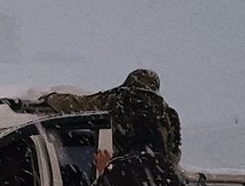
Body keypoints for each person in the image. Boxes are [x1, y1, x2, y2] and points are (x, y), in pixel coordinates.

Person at [41, 69, 181, 165]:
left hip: (122, 175)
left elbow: (78, 105)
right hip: (157, 180)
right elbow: (174, 155)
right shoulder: (168, 115)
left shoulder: (119, 99)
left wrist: (50, 98)